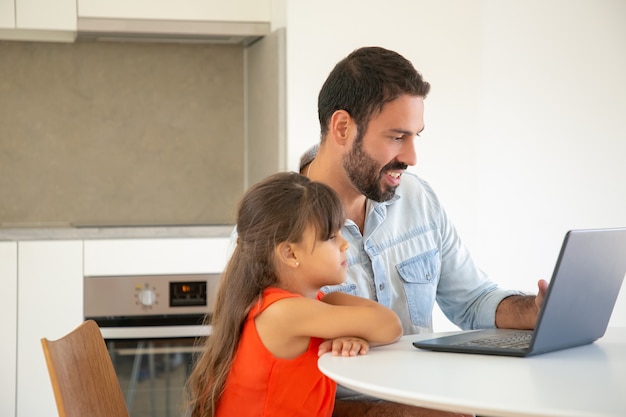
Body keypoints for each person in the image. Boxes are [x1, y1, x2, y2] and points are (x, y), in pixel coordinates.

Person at [299, 46, 549, 417]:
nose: (412, 157)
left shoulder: (416, 197)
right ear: (342, 128)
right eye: (397, 137)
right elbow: (274, 385)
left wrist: (536, 311)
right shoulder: (275, 229)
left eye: (416, 136)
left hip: (430, 402)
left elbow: (472, 301)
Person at [184, 171, 403, 417]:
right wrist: (357, 329)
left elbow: (383, 325)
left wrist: (353, 334)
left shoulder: (309, 304)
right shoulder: (285, 312)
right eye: (331, 237)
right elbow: (390, 325)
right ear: (290, 254)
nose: (345, 244)